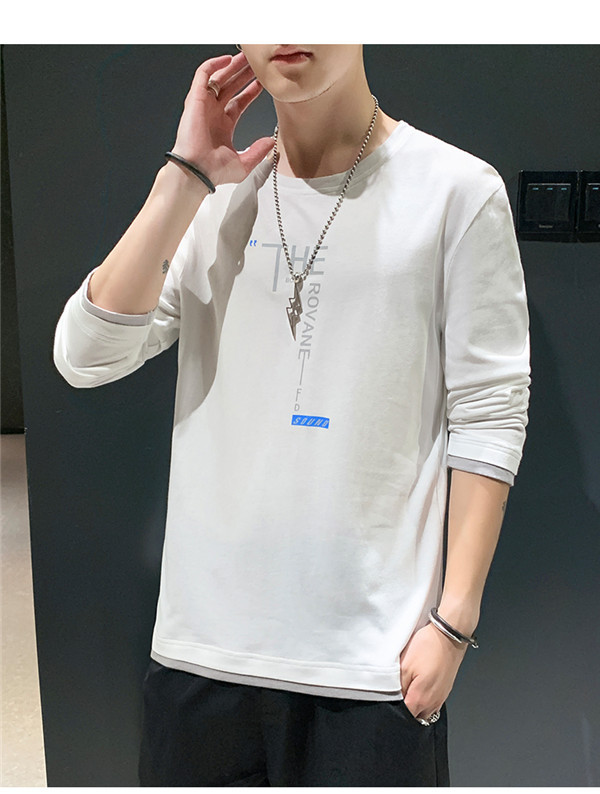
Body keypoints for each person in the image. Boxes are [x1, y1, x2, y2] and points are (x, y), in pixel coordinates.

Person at [53, 44, 531, 786]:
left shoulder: (456, 191)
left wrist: (453, 622)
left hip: (373, 665)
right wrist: (184, 177)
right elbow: (84, 356)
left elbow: (490, 411)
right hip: (202, 654)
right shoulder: (216, 198)